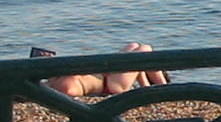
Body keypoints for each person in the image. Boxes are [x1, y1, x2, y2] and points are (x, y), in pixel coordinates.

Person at [34, 43, 169, 97]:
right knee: (136, 46)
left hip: (109, 83)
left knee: (144, 49)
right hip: (107, 79)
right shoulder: (55, 84)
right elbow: (138, 67)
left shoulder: (57, 84)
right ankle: (164, 87)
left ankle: (164, 88)